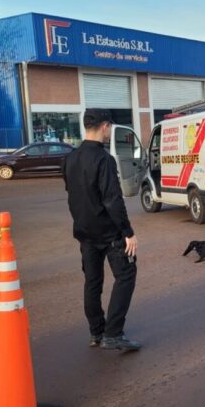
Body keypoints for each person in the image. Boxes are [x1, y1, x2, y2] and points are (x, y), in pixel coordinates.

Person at [62, 108, 141, 351]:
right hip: (109, 233)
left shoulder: (70, 159)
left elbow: (72, 195)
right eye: (109, 128)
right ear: (105, 126)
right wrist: (128, 232)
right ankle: (113, 333)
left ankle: (97, 332)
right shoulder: (104, 160)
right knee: (126, 276)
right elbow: (112, 200)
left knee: (92, 283)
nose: (109, 132)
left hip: (84, 232)